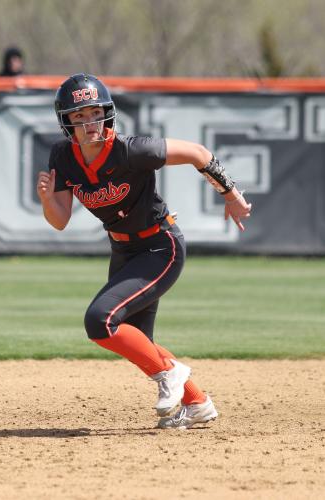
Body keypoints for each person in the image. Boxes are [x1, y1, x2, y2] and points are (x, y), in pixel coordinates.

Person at [37, 73, 252, 429]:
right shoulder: (63, 156)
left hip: (160, 245)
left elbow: (199, 154)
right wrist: (47, 199)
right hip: (122, 250)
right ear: (66, 121)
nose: (89, 122)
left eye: (94, 112)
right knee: (139, 340)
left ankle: (171, 373)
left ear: (107, 113)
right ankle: (197, 403)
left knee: (100, 320)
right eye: (79, 115)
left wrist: (231, 196)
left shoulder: (132, 150)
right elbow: (59, 220)